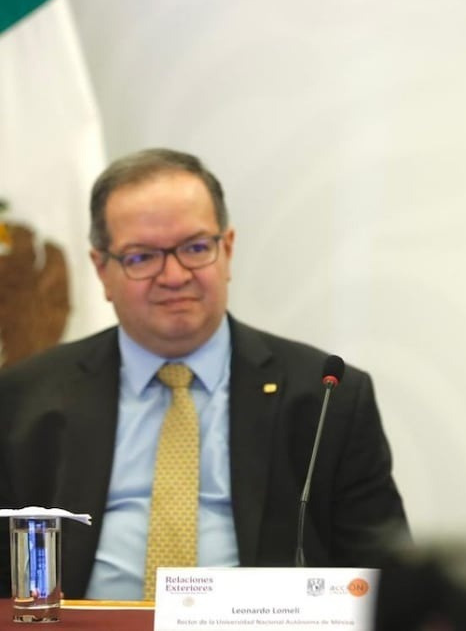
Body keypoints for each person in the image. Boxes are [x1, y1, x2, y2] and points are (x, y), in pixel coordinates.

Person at [0, 148, 408, 600]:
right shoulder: (22, 399)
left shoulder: (328, 397)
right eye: (142, 257)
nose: (174, 276)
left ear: (226, 250)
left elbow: (386, 579)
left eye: (195, 248)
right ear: (102, 270)